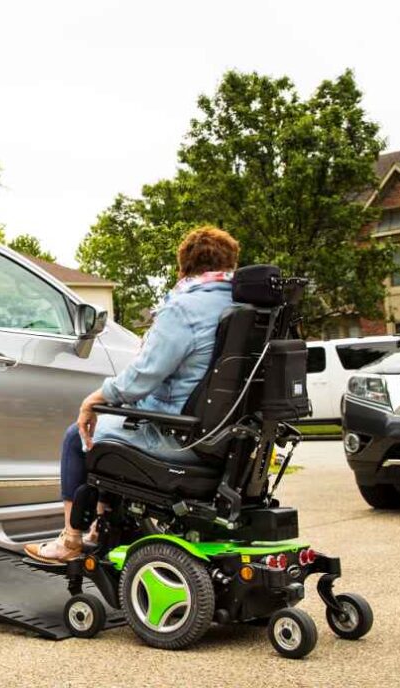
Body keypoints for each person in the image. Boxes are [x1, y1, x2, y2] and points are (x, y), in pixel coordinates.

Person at [25, 226, 240, 565]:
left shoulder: (184, 309)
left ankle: (71, 540)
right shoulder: (242, 306)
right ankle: (101, 527)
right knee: (117, 427)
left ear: (183, 267)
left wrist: (95, 399)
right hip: (225, 439)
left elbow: (143, 377)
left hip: (177, 436)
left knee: (78, 436)